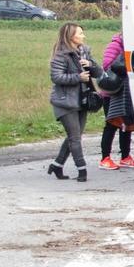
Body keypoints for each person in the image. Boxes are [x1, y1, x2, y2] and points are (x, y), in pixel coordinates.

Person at [47, 22, 97, 182]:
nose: (83, 36)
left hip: (82, 100)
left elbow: (99, 71)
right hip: (65, 102)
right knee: (75, 137)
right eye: (80, 33)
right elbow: (56, 77)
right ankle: (82, 170)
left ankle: (57, 165)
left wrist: (91, 65)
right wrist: (78, 77)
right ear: (71, 37)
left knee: (74, 136)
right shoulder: (61, 55)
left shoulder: (85, 53)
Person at [96, 32, 134, 170]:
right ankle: (105, 158)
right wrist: (126, 66)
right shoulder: (115, 45)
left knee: (126, 125)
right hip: (112, 94)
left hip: (125, 94)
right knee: (111, 126)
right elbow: (107, 65)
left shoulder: (130, 46)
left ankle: (125, 157)